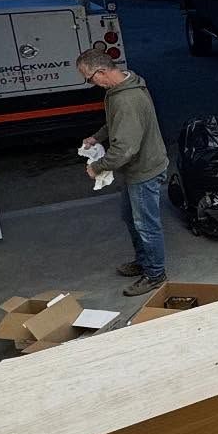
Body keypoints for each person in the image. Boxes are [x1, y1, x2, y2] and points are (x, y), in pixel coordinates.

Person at [76, 45, 169, 294]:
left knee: (147, 225)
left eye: (89, 78)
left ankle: (155, 274)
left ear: (102, 71)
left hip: (144, 171)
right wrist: (98, 137)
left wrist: (97, 167)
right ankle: (144, 262)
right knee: (131, 218)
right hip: (137, 169)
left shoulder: (127, 99)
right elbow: (117, 125)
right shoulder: (124, 84)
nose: (90, 83)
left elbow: (126, 149)